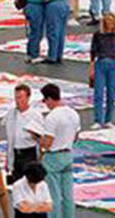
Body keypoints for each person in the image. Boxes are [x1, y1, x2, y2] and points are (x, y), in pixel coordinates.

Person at [35, 83, 79, 218]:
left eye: (45, 101)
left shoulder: (52, 117)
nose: (45, 104)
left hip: (53, 156)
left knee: (52, 194)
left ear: (49, 99)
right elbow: (76, 137)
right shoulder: (73, 113)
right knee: (68, 195)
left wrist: (37, 139)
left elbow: (47, 143)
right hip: (68, 154)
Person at [3, 84, 42, 184]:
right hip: (15, 153)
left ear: (28, 97)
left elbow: (42, 138)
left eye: (20, 97)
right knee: (16, 184)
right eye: (16, 97)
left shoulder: (35, 115)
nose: (17, 100)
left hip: (29, 153)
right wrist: (8, 159)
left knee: (30, 183)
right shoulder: (11, 114)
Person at [90, 14, 115, 128]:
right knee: (98, 94)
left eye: (111, 22)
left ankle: (108, 120)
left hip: (113, 65)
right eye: (107, 22)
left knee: (112, 94)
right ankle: (98, 120)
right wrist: (91, 68)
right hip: (100, 63)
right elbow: (92, 52)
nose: (109, 24)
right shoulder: (98, 35)